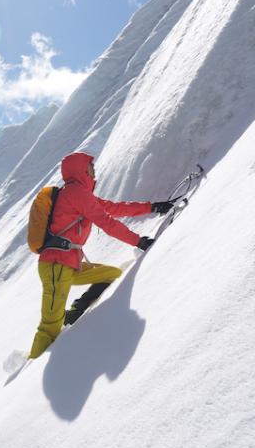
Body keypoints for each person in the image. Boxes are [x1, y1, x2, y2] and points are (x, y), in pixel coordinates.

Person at [29, 152, 173, 359]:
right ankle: (29, 371)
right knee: (49, 326)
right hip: (56, 266)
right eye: (90, 167)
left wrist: (152, 207)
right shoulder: (75, 193)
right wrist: (138, 241)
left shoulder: (78, 194)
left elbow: (113, 208)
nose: (94, 171)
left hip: (69, 265)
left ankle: (74, 314)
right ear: (80, 170)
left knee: (111, 274)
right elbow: (107, 223)